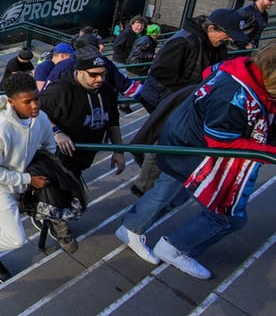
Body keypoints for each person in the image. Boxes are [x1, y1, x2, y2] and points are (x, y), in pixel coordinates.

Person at [117, 43, 276, 280]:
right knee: (171, 192)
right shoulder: (233, 95)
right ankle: (140, 232)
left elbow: (208, 72)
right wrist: (269, 150)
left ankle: (133, 228)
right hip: (190, 146)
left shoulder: (238, 71)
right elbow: (221, 141)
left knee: (173, 192)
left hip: (187, 136)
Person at [133, 8, 250, 195]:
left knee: (167, 142)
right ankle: (144, 185)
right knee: (163, 141)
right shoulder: (183, 40)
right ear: (211, 28)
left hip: (186, 100)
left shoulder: (214, 45)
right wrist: (193, 89)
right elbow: (160, 73)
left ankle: (149, 183)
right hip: (167, 100)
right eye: (226, 35)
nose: (228, 40)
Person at [0, 73, 59, 283]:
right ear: (11, 102)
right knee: (16, 237)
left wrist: (43, 167)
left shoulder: (41, 119)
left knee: (4, 224)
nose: (35, 105)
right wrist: (29, 179)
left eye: (36, 98)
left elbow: (50, 144)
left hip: (21, 180)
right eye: (27, 101)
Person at [40, 47, 126, 182]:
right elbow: (37, 112)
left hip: (84, 155)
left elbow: (113, 122)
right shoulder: (60, 90)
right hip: (59, 157)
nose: (100, 79)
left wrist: (118, 151)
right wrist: (56, 131)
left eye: (103, 74)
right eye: (93, 74)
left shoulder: (107, 90)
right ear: (79, 72)